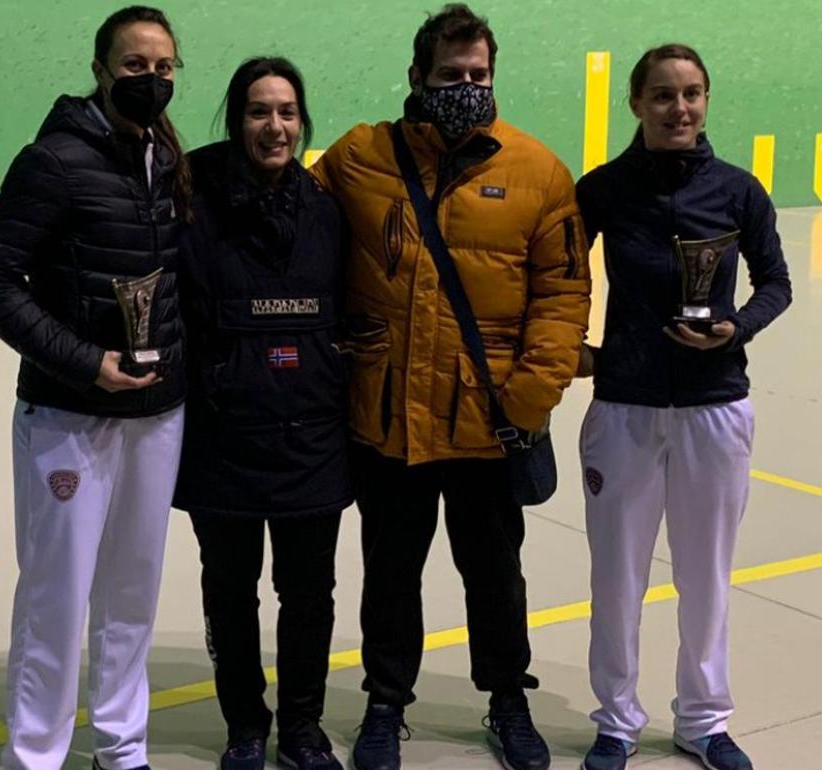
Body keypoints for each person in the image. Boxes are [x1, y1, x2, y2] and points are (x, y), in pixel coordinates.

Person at [310, 5, 591, 770]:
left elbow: (563, 297)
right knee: (390, 573)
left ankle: (508, 700)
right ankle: (384, 703)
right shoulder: (358, 158)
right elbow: (292, 225)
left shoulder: (538, 172)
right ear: (415, 77)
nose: (466, 87)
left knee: (495, 575)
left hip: (492, 424)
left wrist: (530, 400)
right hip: (388, 416)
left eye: (479, 76)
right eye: (449, 76)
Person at [0, 6, 190, 770]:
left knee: (133, 593)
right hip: (69, 415)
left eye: (163, 68)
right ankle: (35, 757)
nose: (150, 80)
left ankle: (122, 748)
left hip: (156, 416)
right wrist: (86, 361)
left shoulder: (168, 159)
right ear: (100, 70)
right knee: (56, 600)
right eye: (134, 66)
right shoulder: (53, 160)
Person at [573, 43, 792, 770]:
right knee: (616, 577)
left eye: (692, 94)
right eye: (663, 95)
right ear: (635, 103)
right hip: (624, 410)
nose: (680, 109)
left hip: (715, 407)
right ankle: (616, 721)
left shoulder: (738, 190)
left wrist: (738, 328)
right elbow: (555, 275)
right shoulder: (602, 190)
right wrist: (575, 350)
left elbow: (776, 282)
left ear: (706, 101)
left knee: (706, 575)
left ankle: (704, 720)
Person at [173, 57, 351, 770]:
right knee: (230, 594)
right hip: (224, 442)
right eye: (257, 111)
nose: (273, 126)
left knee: (309, 597)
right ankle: (245, 726)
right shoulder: (192, 205)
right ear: (236, 119)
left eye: (285, 111)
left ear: (301, 121)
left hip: (313, 439)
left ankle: (303, 730)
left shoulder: (327, 212)